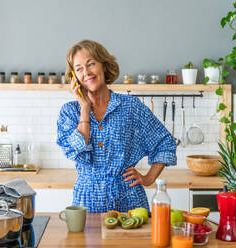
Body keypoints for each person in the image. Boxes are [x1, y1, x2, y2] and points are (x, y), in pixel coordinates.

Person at [56, 40, 176, 213]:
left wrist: (149, 178)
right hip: (88, 202)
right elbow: (76, 149)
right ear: (74, 77)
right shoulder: (69, 112)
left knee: (132, 240)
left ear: (104, 66)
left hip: (129, 199)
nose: (86, 72)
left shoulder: (131, 106)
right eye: (79, 68)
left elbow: (165, 142)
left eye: (91, 64)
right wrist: (84, 107)